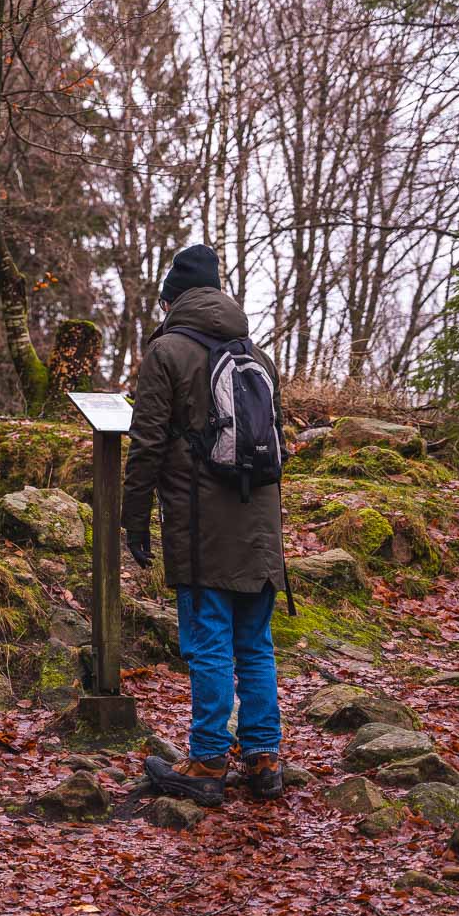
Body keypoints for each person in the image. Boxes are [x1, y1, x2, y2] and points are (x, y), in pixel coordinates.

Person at [122, 244, 287, 807]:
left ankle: (209, 759)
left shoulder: (167, 352)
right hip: (261, 527)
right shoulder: (257, 356)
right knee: (255, 645)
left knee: (209, 643)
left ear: (173, 299)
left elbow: (145, 445)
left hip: (200, 525)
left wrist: (134, 519)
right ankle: (264, 759)